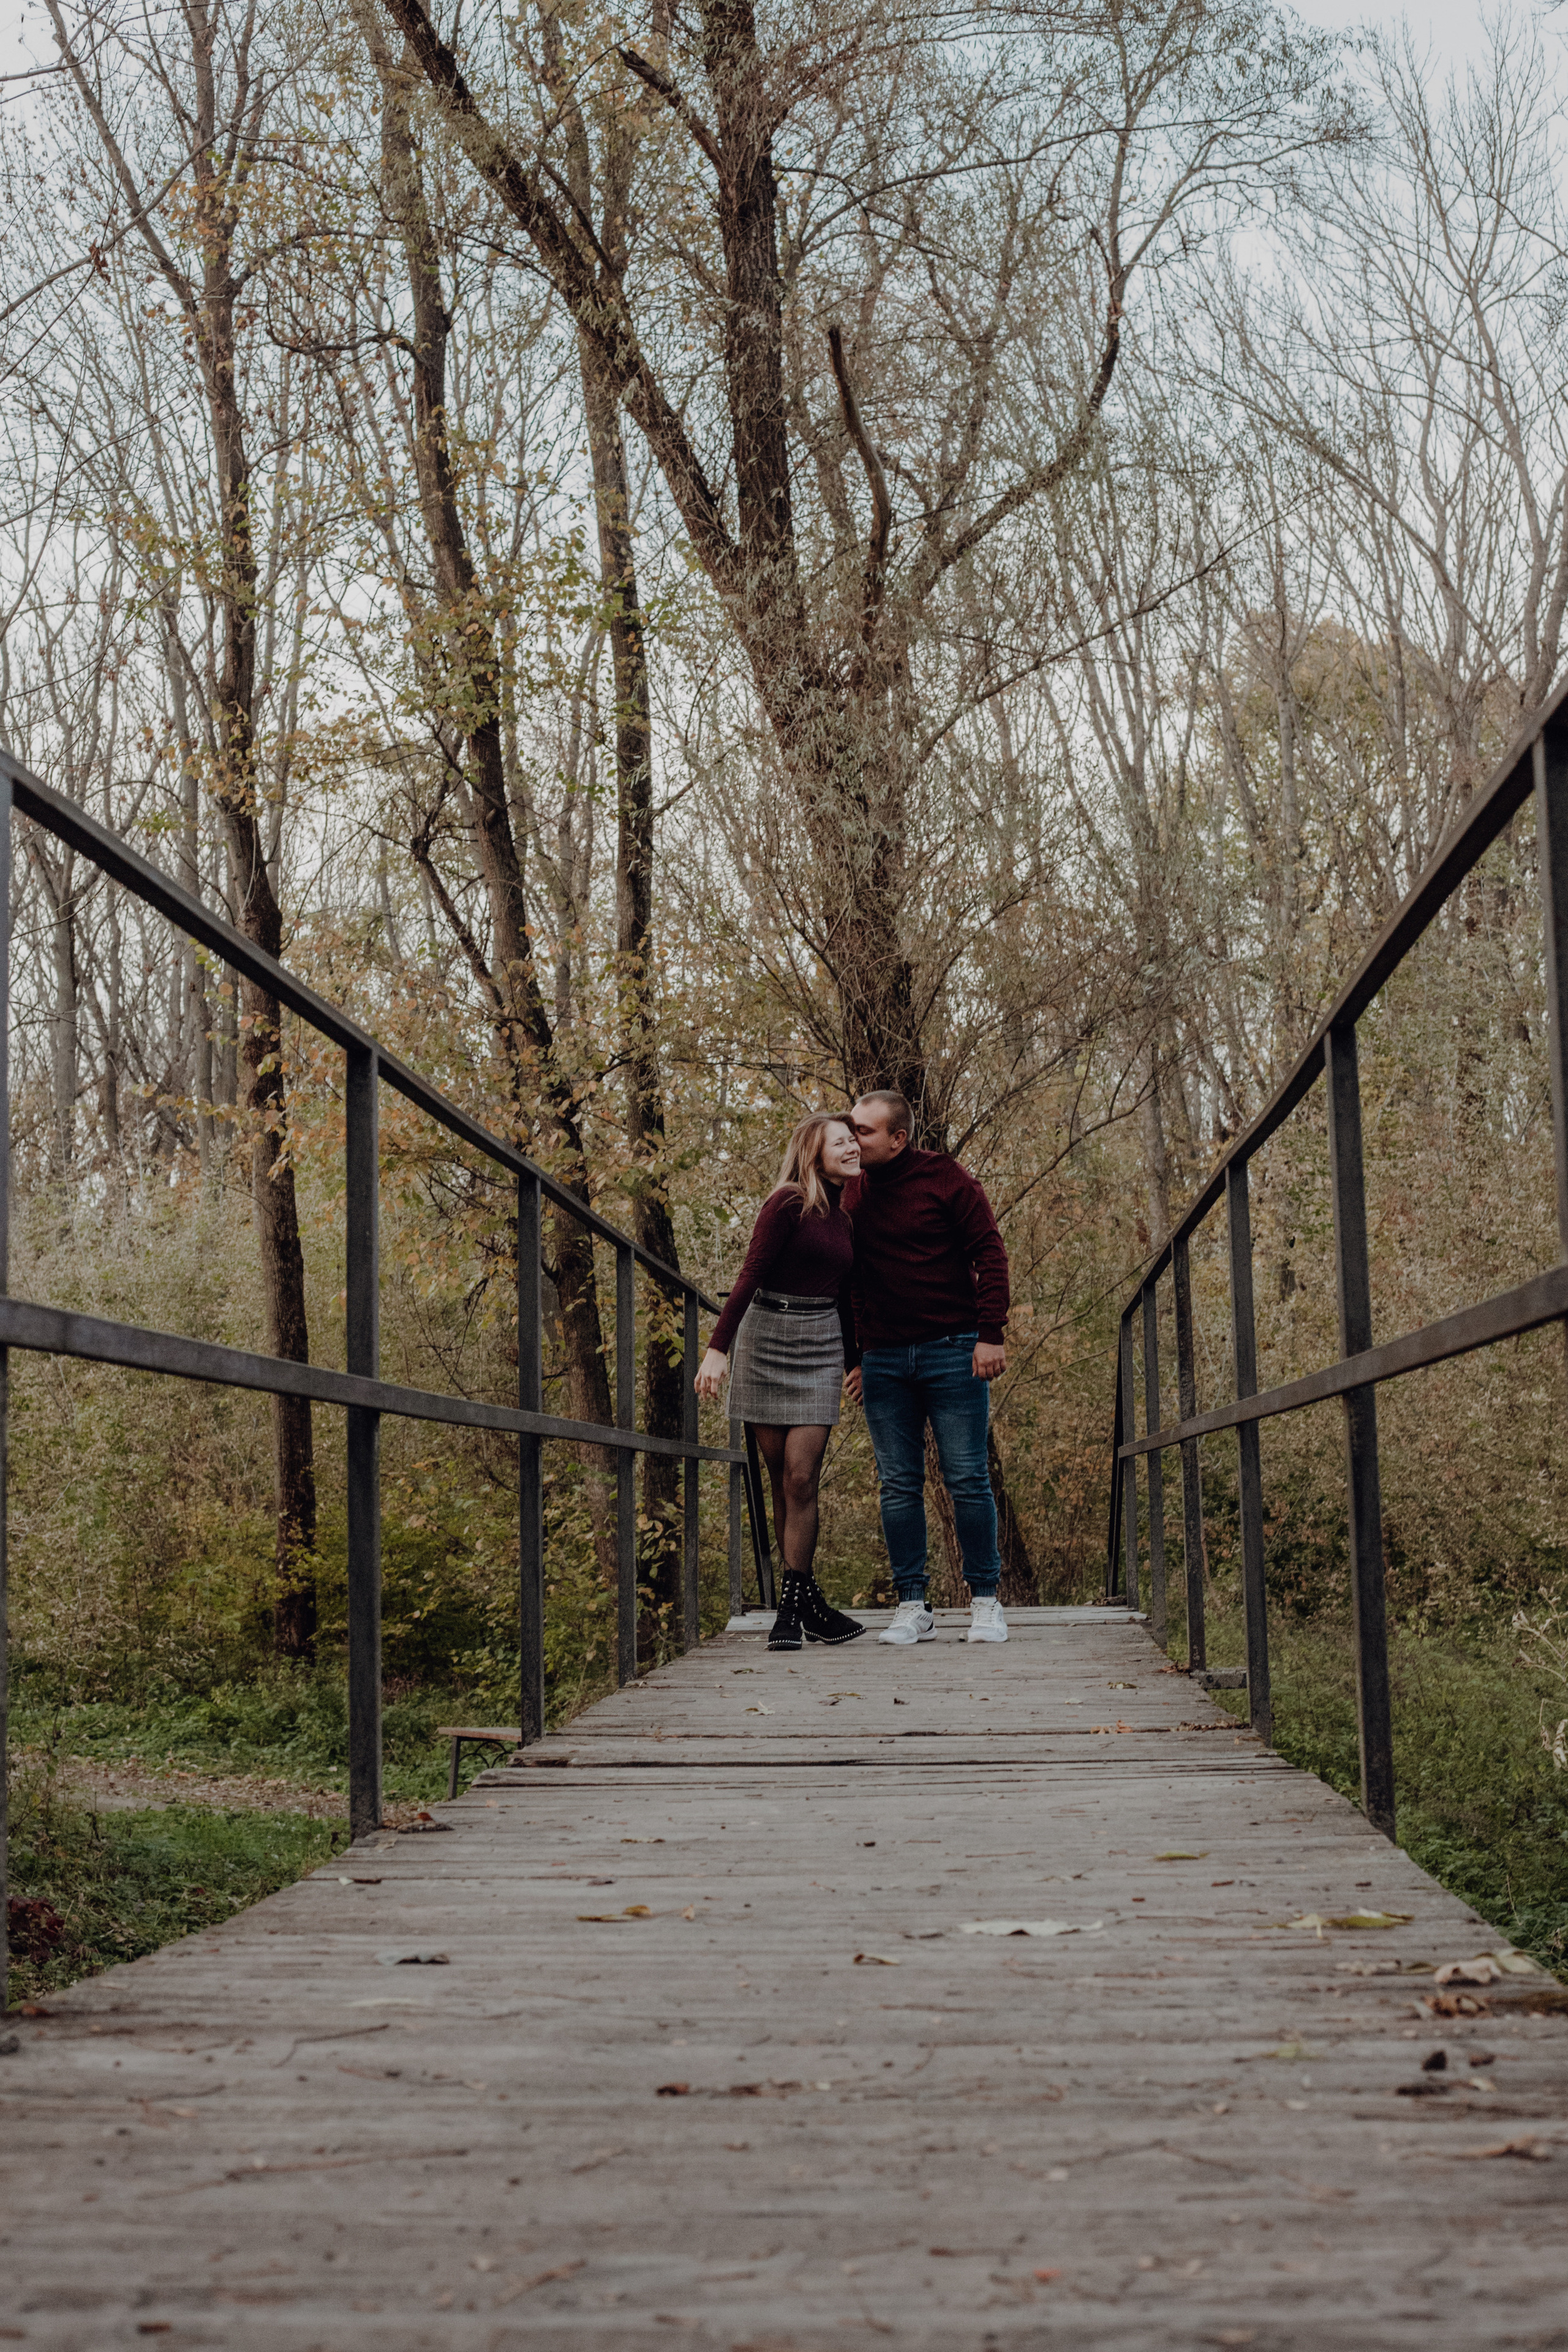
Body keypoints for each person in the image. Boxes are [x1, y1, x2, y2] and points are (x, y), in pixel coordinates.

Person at [843, 1090, 1012, 1645]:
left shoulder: (946, 1179)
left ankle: (986, 1601)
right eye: (850, 1127)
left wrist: (990, 1335)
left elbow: (990, 1253)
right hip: (884, 1360)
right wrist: (856, 1358)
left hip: (953, 1348)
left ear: (898, 1138)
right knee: (897, 1486)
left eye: (864, 1130)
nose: (853, 1137)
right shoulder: (849, 1194)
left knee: (967, 1478)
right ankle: (912, 1605)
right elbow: (845, 1283)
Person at [695, 1114, 866, 1653]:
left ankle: (790, 1608)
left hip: (819, 1345)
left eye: (853, 1140)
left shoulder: (845, 1219)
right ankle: (806, 1605)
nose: (852, 1147)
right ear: (815, 1154)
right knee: (777, 1479)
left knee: (801, 1478)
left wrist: (853, 1361)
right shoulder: (787, 1203)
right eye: (841, 1141)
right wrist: (718, 1350)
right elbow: (750, 1273)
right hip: (766, 1337)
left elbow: (844, 1297)